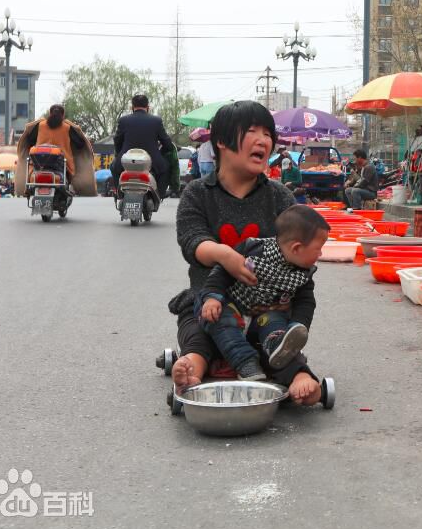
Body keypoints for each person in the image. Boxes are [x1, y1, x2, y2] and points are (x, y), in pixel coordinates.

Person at [169, 100, 324, 405]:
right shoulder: (198, 193)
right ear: (223, 142)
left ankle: (302, 378)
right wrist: (225, 255)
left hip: (267, 310)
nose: (263, 140)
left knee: (275, 343)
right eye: (252, 131)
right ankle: (192, 369)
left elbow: (297, 254)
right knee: (202, 333)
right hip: (211, 302)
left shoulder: (279, 196)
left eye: (268, 133)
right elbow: (192, 241)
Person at [196, 205, 329, 380]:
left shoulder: (303, 274)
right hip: (232, 305)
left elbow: (306, 303)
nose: (320, 253)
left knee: (275, 320)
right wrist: (212, 298)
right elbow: (221, 273)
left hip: (263, 316)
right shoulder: (253, 250)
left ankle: (277, 345)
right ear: (296, 248)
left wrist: (297, 325)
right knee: (219, 318)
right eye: (318, 249)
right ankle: (245, 362)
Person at [112, 94, 174, 194]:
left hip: (127, 160)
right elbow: (167, 143)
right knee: (166, 168)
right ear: (148, 107)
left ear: (132, 107)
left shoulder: (123, 120)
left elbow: (117, 141)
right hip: (152, 161)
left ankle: (119, 192)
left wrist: (120, 154)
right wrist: (165, 150)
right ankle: (160, 193)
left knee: (113, 167)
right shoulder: (156, 121)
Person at [32, 105, 78, 177]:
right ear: (63, 115)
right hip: (61, 163)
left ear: (50, 114)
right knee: (70, 180)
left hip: (39, 161)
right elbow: (80, 144)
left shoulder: (40, 125)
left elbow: (30, 140)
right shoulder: (67, 127)